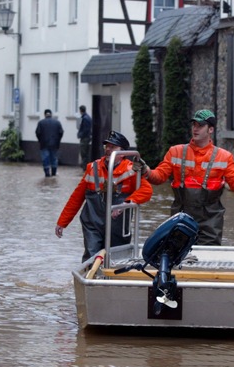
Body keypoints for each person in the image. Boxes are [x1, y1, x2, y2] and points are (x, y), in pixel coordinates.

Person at [133, 109, 234, 246]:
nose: (195, 129)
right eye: (194, 125)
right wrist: (145, 170)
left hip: (210, 221)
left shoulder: (224, 156)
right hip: (180, 217)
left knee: (208, 259)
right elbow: (158, 177)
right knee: (176, 257)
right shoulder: (175, 151)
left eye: (200, 125)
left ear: (210, 129)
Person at [55, 131, 153, 262]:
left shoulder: (131, 171)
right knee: (92, 256)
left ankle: (115, 280)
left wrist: (126, 203)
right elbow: (76, 197)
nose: (108, 150)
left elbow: (147, 190)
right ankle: (90, 278)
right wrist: (62, 222)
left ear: (122, 153)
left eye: (113, 147)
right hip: (92, 222)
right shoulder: (93, 168)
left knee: (118, 259)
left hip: (118, 225)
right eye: (107, 146)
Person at [36, 109, 64, 177]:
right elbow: (61, 132)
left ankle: (47, 173)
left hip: (44, 144)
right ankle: (54, 173)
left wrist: (40, 140)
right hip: (54, 144)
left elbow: (38, 133)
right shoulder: (57, 122)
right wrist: (58, 140)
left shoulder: (41, 123)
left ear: (44, 114)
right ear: (51, 114)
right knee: (54, 158)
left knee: (45, 158)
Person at [77, 105, 92, 170]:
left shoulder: (85, 118)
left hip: (85, 138)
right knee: (85, 153)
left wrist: (80, 135)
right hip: (87, 137)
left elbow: (85, 129)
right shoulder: (87, 117)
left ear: (80, 110)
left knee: (84, 153)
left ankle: (85, 167)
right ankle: (85, 166)